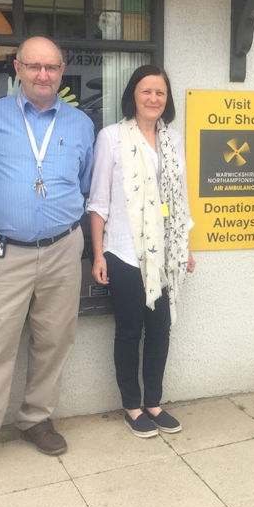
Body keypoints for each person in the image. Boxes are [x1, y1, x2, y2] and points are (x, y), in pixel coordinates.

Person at [0, 36, 94, 482]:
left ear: (62, 69)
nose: (42, 75)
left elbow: (83, 183)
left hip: (63, 247)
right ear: (17, 67)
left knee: (54, 339)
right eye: (33, 66)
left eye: (51, 67)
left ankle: (35, 418)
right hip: (5, 249)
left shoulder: (81, 124)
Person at [88, 65, 195, 437]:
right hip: (123, 252)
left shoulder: (173, 140)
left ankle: (154, 403)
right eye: (146, 91)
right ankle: (132, 407)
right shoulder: (111, 137)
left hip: (164, 255)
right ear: (133, 95)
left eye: (160, 93)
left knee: (161, 330)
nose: (153, 98)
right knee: (130, 331)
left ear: (167, 100)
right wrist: (99, 254)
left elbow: (179, 198)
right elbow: (99, 201)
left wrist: (186, 247)